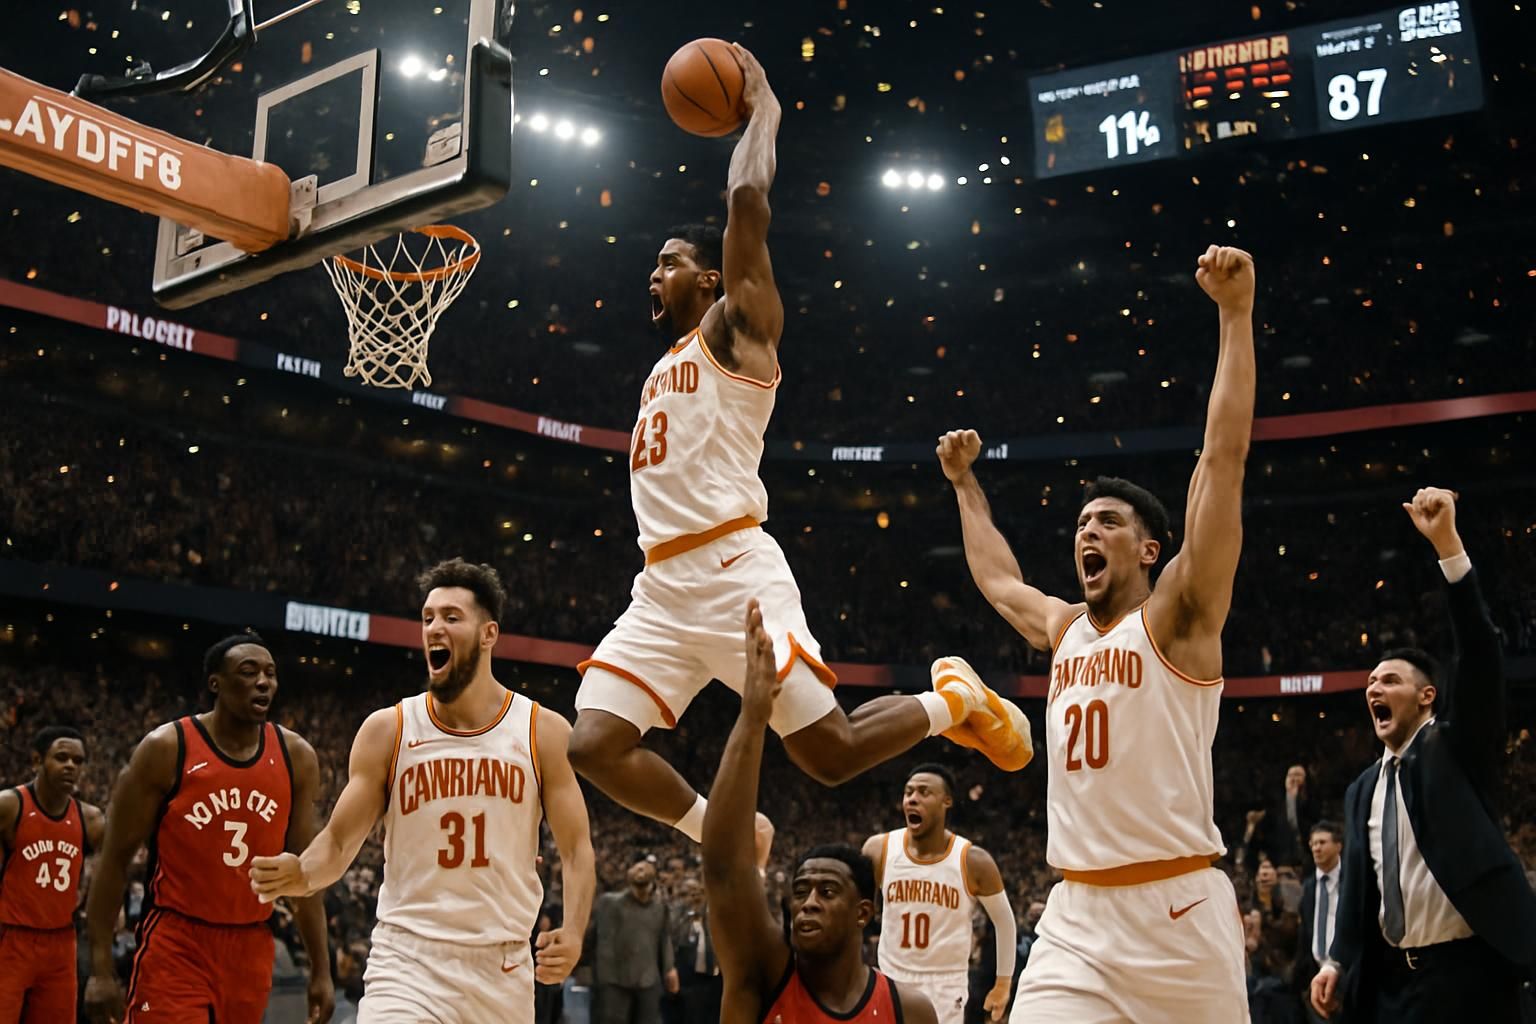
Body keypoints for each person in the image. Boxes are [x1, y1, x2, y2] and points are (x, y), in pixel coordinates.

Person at [567, 43, 1030, 842]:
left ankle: (956, 699)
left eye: (670, 262)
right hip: (662, 587)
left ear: (713, 281)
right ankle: (727, 829)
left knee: (831, 754)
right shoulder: (661, 368)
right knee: (595, 744)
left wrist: (764, 109)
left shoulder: (737, 333)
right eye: (653, 265)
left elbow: (746, 200)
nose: (655, 274)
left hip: (733, 569)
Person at [937, 244, 1258, 1023]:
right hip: (1076, 918)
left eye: (1107, 522)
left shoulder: (1178, 616)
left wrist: (1236, 317)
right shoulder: (1067, 627)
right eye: (1082, 523)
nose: (1089, 531)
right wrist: (965, 487)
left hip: (1179, 911)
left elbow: (1221, 460)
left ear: (1150, 548)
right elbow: (998, 580)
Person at [249, 558, 595, 1024]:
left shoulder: (542, 731)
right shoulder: (388, 730)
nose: (434, 628)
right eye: (428, 617)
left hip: (502, 967)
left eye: (452, 617)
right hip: (408, 960)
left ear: (488, 634)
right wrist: (302, 872)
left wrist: (573, 933)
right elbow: (337, 841)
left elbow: (576, 849)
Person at [1310, 489, 1536, 1023]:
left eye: (1389, 680)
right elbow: (1357, 897)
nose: (1373, 688)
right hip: (1392, 986)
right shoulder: (1360, 788)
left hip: (1470, 977)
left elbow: (1480, 654)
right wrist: (1337, 961)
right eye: (1369, 682)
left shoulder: (1457, 749)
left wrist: (1448, 547)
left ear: (1427, 695)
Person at [702, 598, 937, 1024]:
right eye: (800, 892)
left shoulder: (911, 1010)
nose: (807, 903)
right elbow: (722, 869)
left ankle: (949, 704)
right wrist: (753, 720)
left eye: (827, 893)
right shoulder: (762, 976)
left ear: (864, 912)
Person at [83, 631, 333, 1024]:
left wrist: (321, 968)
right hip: (177, 940)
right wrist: (99, 967)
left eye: (270, 673)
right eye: (248, 672)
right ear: (215, 683)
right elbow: (114, 858)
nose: (263, 682)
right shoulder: (167, 748)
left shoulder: (296, 757)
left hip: (251, 943)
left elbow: (305, 873)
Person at [861, 764, 1015, 1024]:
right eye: (908, 792)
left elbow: (1005, 922)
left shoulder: (973, 860)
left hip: (945, 983)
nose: (912, 798)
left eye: (923, 792)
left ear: (947, 801)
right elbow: (856, 915)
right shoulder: (879, 850)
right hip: (891, 975)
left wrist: (1003, 983)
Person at [0, 726, 105, 1023]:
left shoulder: (91, 819)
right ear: (36, 761)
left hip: (61, 943)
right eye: (61, 757)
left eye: (78, 760)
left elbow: (112, 872)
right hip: (11, 938)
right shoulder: (10, 806)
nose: (71, 765)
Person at [586, 859, 678, 1024]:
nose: (641, 870)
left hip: (648, 979)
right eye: (637, 867)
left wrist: (669, 969)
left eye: (644, 868)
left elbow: (664, 939)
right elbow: (594, 937)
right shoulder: (609, 903)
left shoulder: (660, 908)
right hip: (614, 980)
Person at [1293, 822, 1344, 1024]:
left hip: (1346, 972)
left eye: (1322, 842)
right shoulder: (1308, 886)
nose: (1316, 848)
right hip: (1314, 973)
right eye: (1313, 843)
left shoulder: (1352, 880)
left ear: (1338, 846)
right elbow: (1305, 935)